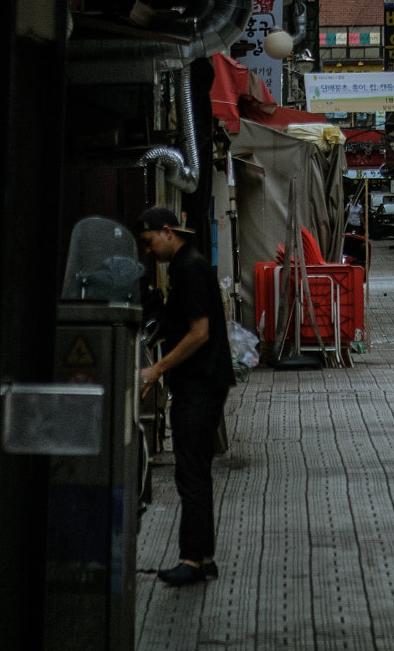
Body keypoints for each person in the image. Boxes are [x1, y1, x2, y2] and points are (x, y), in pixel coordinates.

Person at [136, 206, 234, 587]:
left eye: (148, 242)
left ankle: (191, 560)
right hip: (203, 382)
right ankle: (204, 556)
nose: (148, 251)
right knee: (197, 472)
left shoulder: (189, 268)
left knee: (190, 472)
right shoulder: (185, 267)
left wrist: (157, 369)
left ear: (166, 231)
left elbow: (199, 332)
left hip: (199, 384)